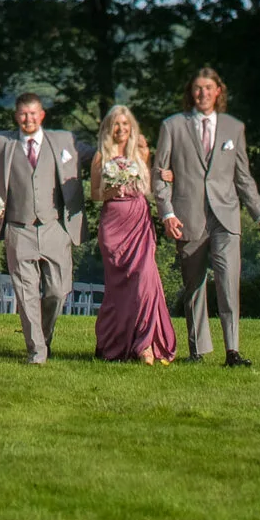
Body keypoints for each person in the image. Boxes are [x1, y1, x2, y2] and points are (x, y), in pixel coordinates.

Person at [154, 68, 260, 366]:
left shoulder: (233, 128)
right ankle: (198, 351)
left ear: (218, 92)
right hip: (188, 216)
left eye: (208, 88)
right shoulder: (172, 126)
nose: (202, 94)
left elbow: (243, 178)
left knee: (228, 282)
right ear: (191, 92)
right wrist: (168, 214)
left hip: (225, 217)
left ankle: (232, 351)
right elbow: (159, 175)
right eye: (197, 88)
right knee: (194, 285)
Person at [0, 92, 86, 364]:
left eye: (33, 113)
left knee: (57, 291)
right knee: (26, 294)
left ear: (42, 115)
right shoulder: (1, 142)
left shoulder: (64, 141)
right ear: (16, 116)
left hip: (54, 227)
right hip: (19, 227)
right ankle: (36, 350)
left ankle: (44, 338)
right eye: (23, 114)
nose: (28, 118)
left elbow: (93, 154)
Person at [92, 104, 175, 364]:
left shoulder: (140, 152)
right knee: (119, 287)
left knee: (146, 279)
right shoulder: (100, 156)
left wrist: (166, 177)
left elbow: (149, 187)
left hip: (138, 219)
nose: (121, 130)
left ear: (132, 128)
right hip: (113, 223)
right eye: (116, 124)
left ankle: (146, 343)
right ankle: (113, 342)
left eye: (125, 125)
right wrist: (112, 190)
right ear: (108, 128)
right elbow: (95, 194)